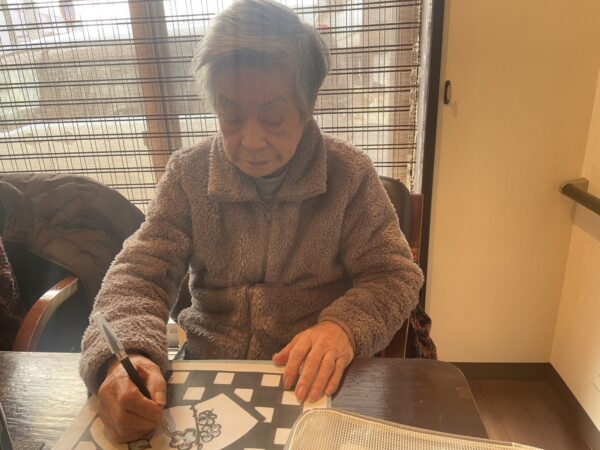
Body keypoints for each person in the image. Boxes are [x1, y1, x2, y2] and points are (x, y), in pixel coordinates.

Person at [79, 0, 424, 443]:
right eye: (232, 116)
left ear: (306, 107)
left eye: (273, 118)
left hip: (312, 381)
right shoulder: (188, 174)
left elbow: (394, 276)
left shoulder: (349, 175)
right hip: (206, 373)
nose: (251, 140)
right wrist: (123, 358)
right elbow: (139, 273)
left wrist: (342, 327)